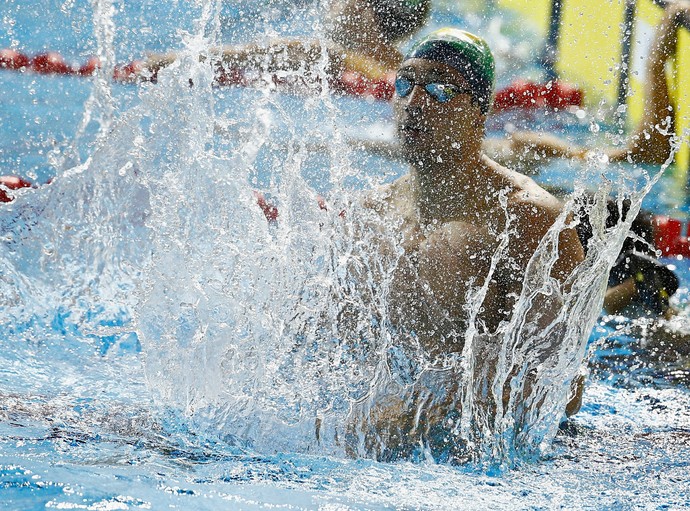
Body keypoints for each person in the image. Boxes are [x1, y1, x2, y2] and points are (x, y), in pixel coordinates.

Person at [342, 28, 585, 461]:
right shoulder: (370, 213)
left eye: (439, 89)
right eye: (405, 83)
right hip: (388, 437)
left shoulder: (528, 218)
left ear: (479, 113)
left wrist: (423, 410)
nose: (414, 102)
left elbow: (563, 387)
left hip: (484, 460)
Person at [145, 0, 431, 85]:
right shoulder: (407, 68)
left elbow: (289, 50)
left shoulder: (327, 54)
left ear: (363, 9)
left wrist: (177, 62)